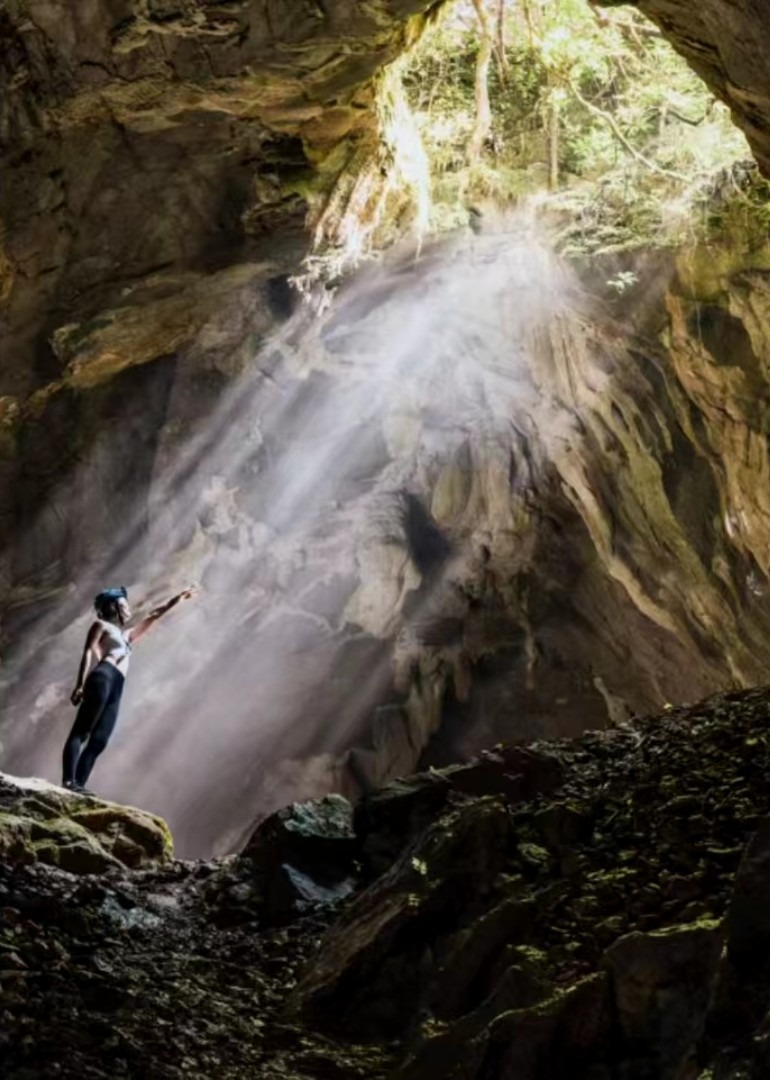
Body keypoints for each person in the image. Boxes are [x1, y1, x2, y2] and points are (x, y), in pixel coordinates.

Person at [62, 584, 197, 793]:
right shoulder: (101, 625)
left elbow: (153, 615)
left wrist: (177, 599)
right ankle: (68, 781)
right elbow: (88, 651)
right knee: (82, 731)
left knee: (100, 740)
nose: (128, 608)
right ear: (112, 606)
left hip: (117, 685)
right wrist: (79, 685)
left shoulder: (127, 636)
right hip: (103, 676)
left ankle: (78, 786)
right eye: (124, 604)